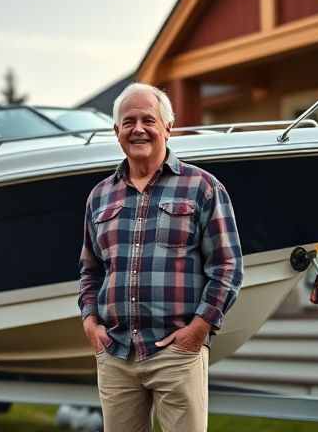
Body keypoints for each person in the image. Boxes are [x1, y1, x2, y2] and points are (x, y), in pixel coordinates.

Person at [77, 83, 243, 431]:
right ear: (117, 131)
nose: (138, 128)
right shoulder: (99, 196)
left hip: (176, 353)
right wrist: (91, 323)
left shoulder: (203, 187)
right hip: (116, 352)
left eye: (148, 120)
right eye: (129, 121)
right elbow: (90, 269)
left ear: (168, 127)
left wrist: (199, 330)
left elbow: (227, 265)